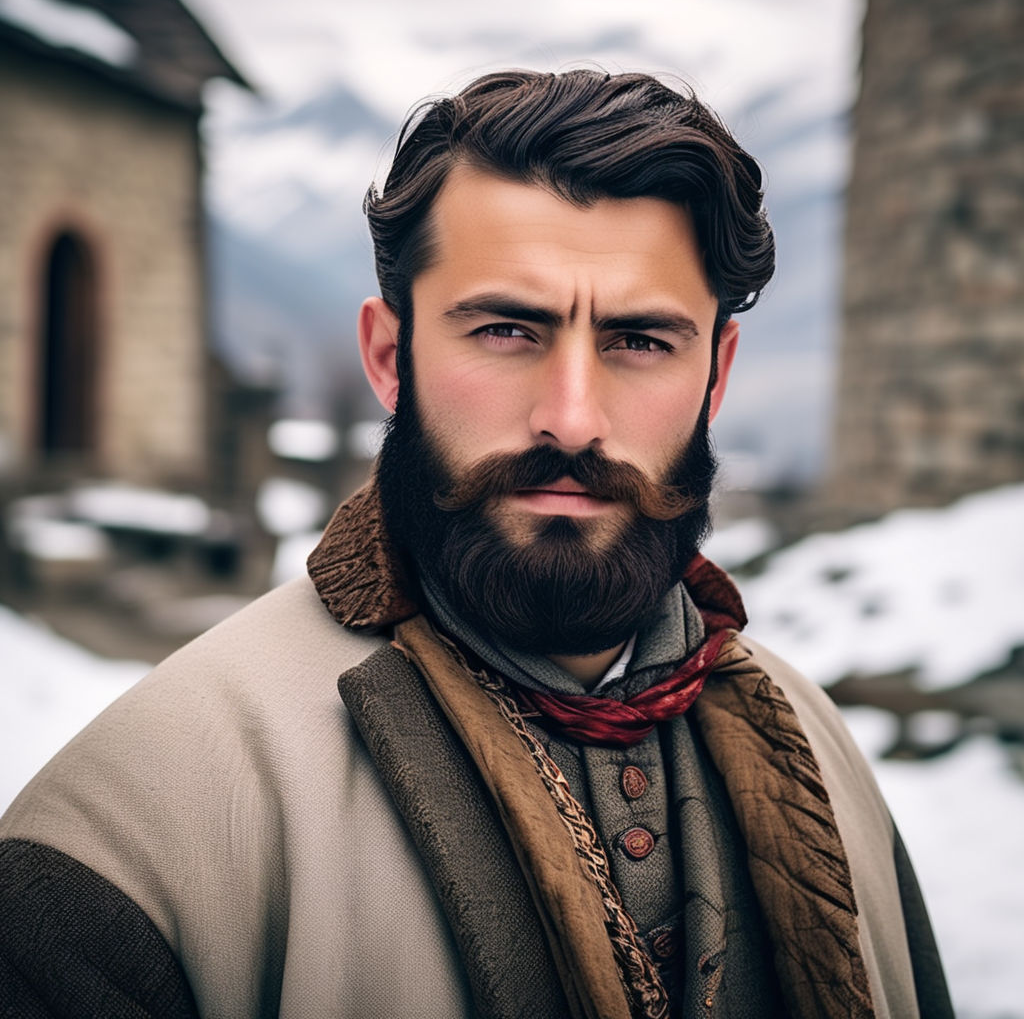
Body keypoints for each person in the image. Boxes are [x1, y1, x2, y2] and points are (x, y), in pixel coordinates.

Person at [0, 69, 951, 1019]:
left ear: (715, 378)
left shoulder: (819, 760)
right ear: (388, 358)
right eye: (507, 330)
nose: (573, 421)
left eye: (641, 342)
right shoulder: (148, 828)